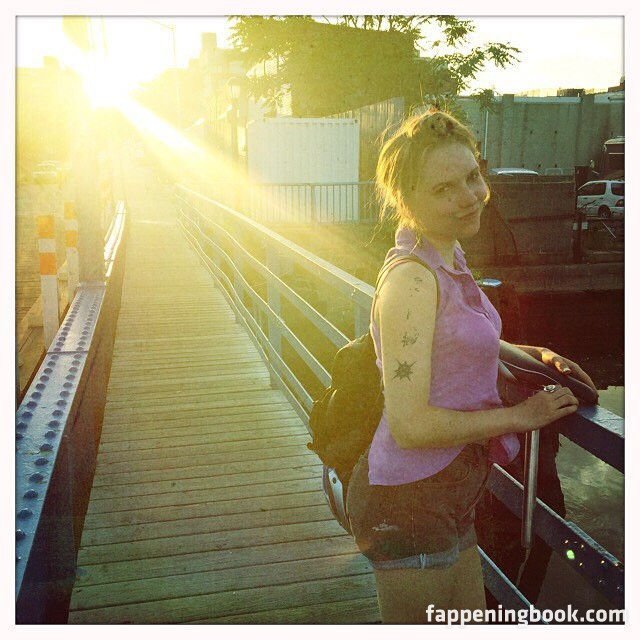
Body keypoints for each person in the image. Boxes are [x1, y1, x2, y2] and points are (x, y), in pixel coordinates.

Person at [345, 109, 598, 624]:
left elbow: (460, 341)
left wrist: (533, 355)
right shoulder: (412, 282)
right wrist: (520, 417)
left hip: (451, 495)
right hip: (409, 502)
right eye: (443, 189)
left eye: (471, 177)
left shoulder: (447, 257)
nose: (469, 196)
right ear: (407, 200)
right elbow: (410, 426)